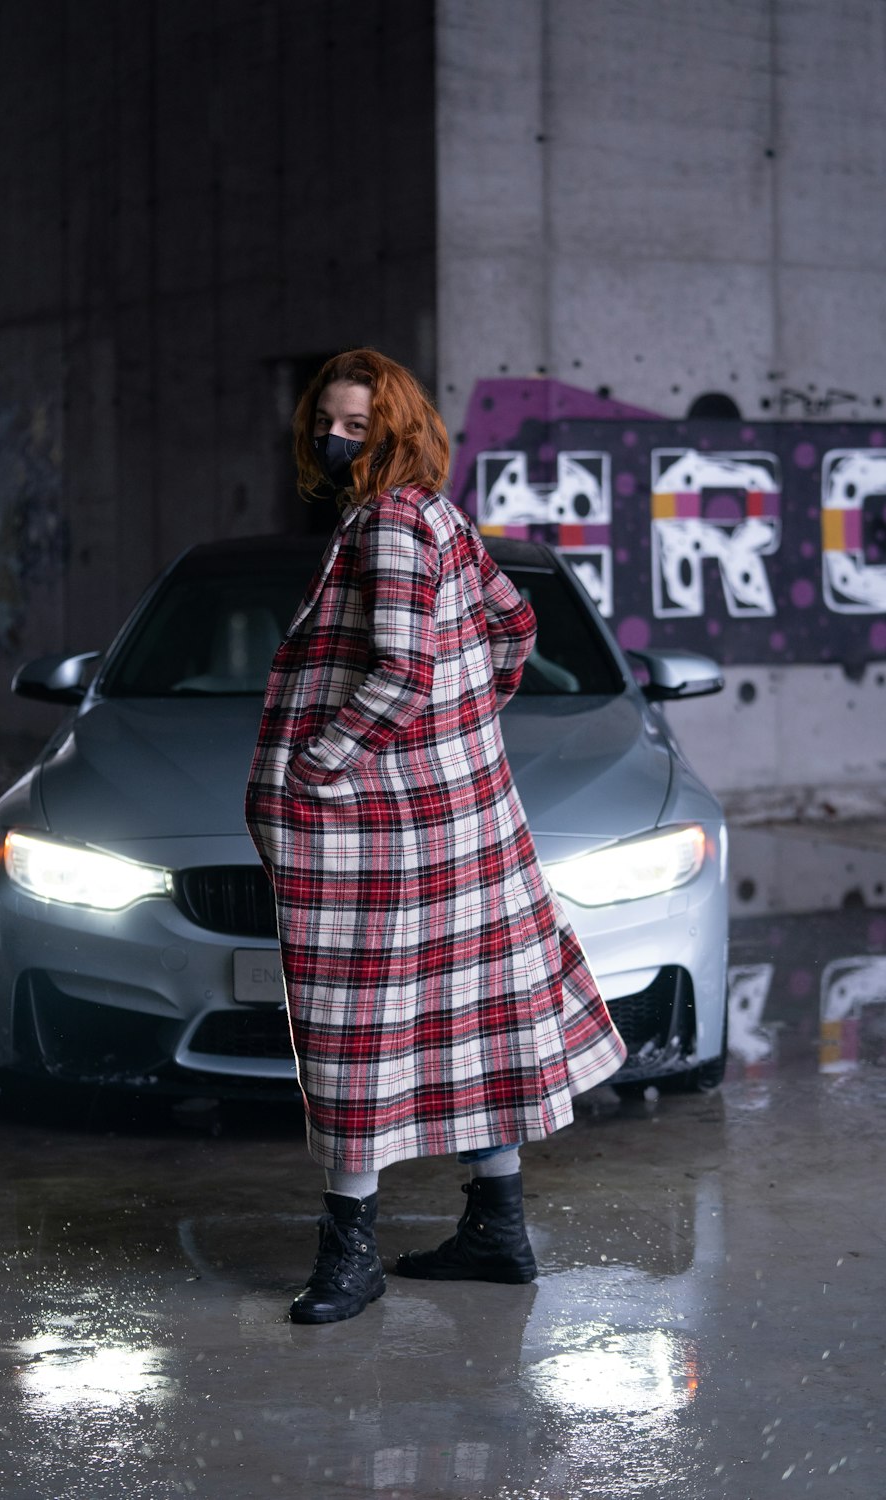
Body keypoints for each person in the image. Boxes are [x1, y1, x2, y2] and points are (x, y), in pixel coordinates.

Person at [244, 348, 626, 1325]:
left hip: (380, 833)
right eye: (326, 420)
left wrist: (319, 765)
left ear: (396, 429)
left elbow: (406, 673)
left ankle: (349, 1256)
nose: (335, 438)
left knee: (352, 1034)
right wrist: (466, 735)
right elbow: (515, 623)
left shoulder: (388, 525)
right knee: (474, 1021)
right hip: (462, 821)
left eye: (354, 424)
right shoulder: (439, 518)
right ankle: (497, 1232)